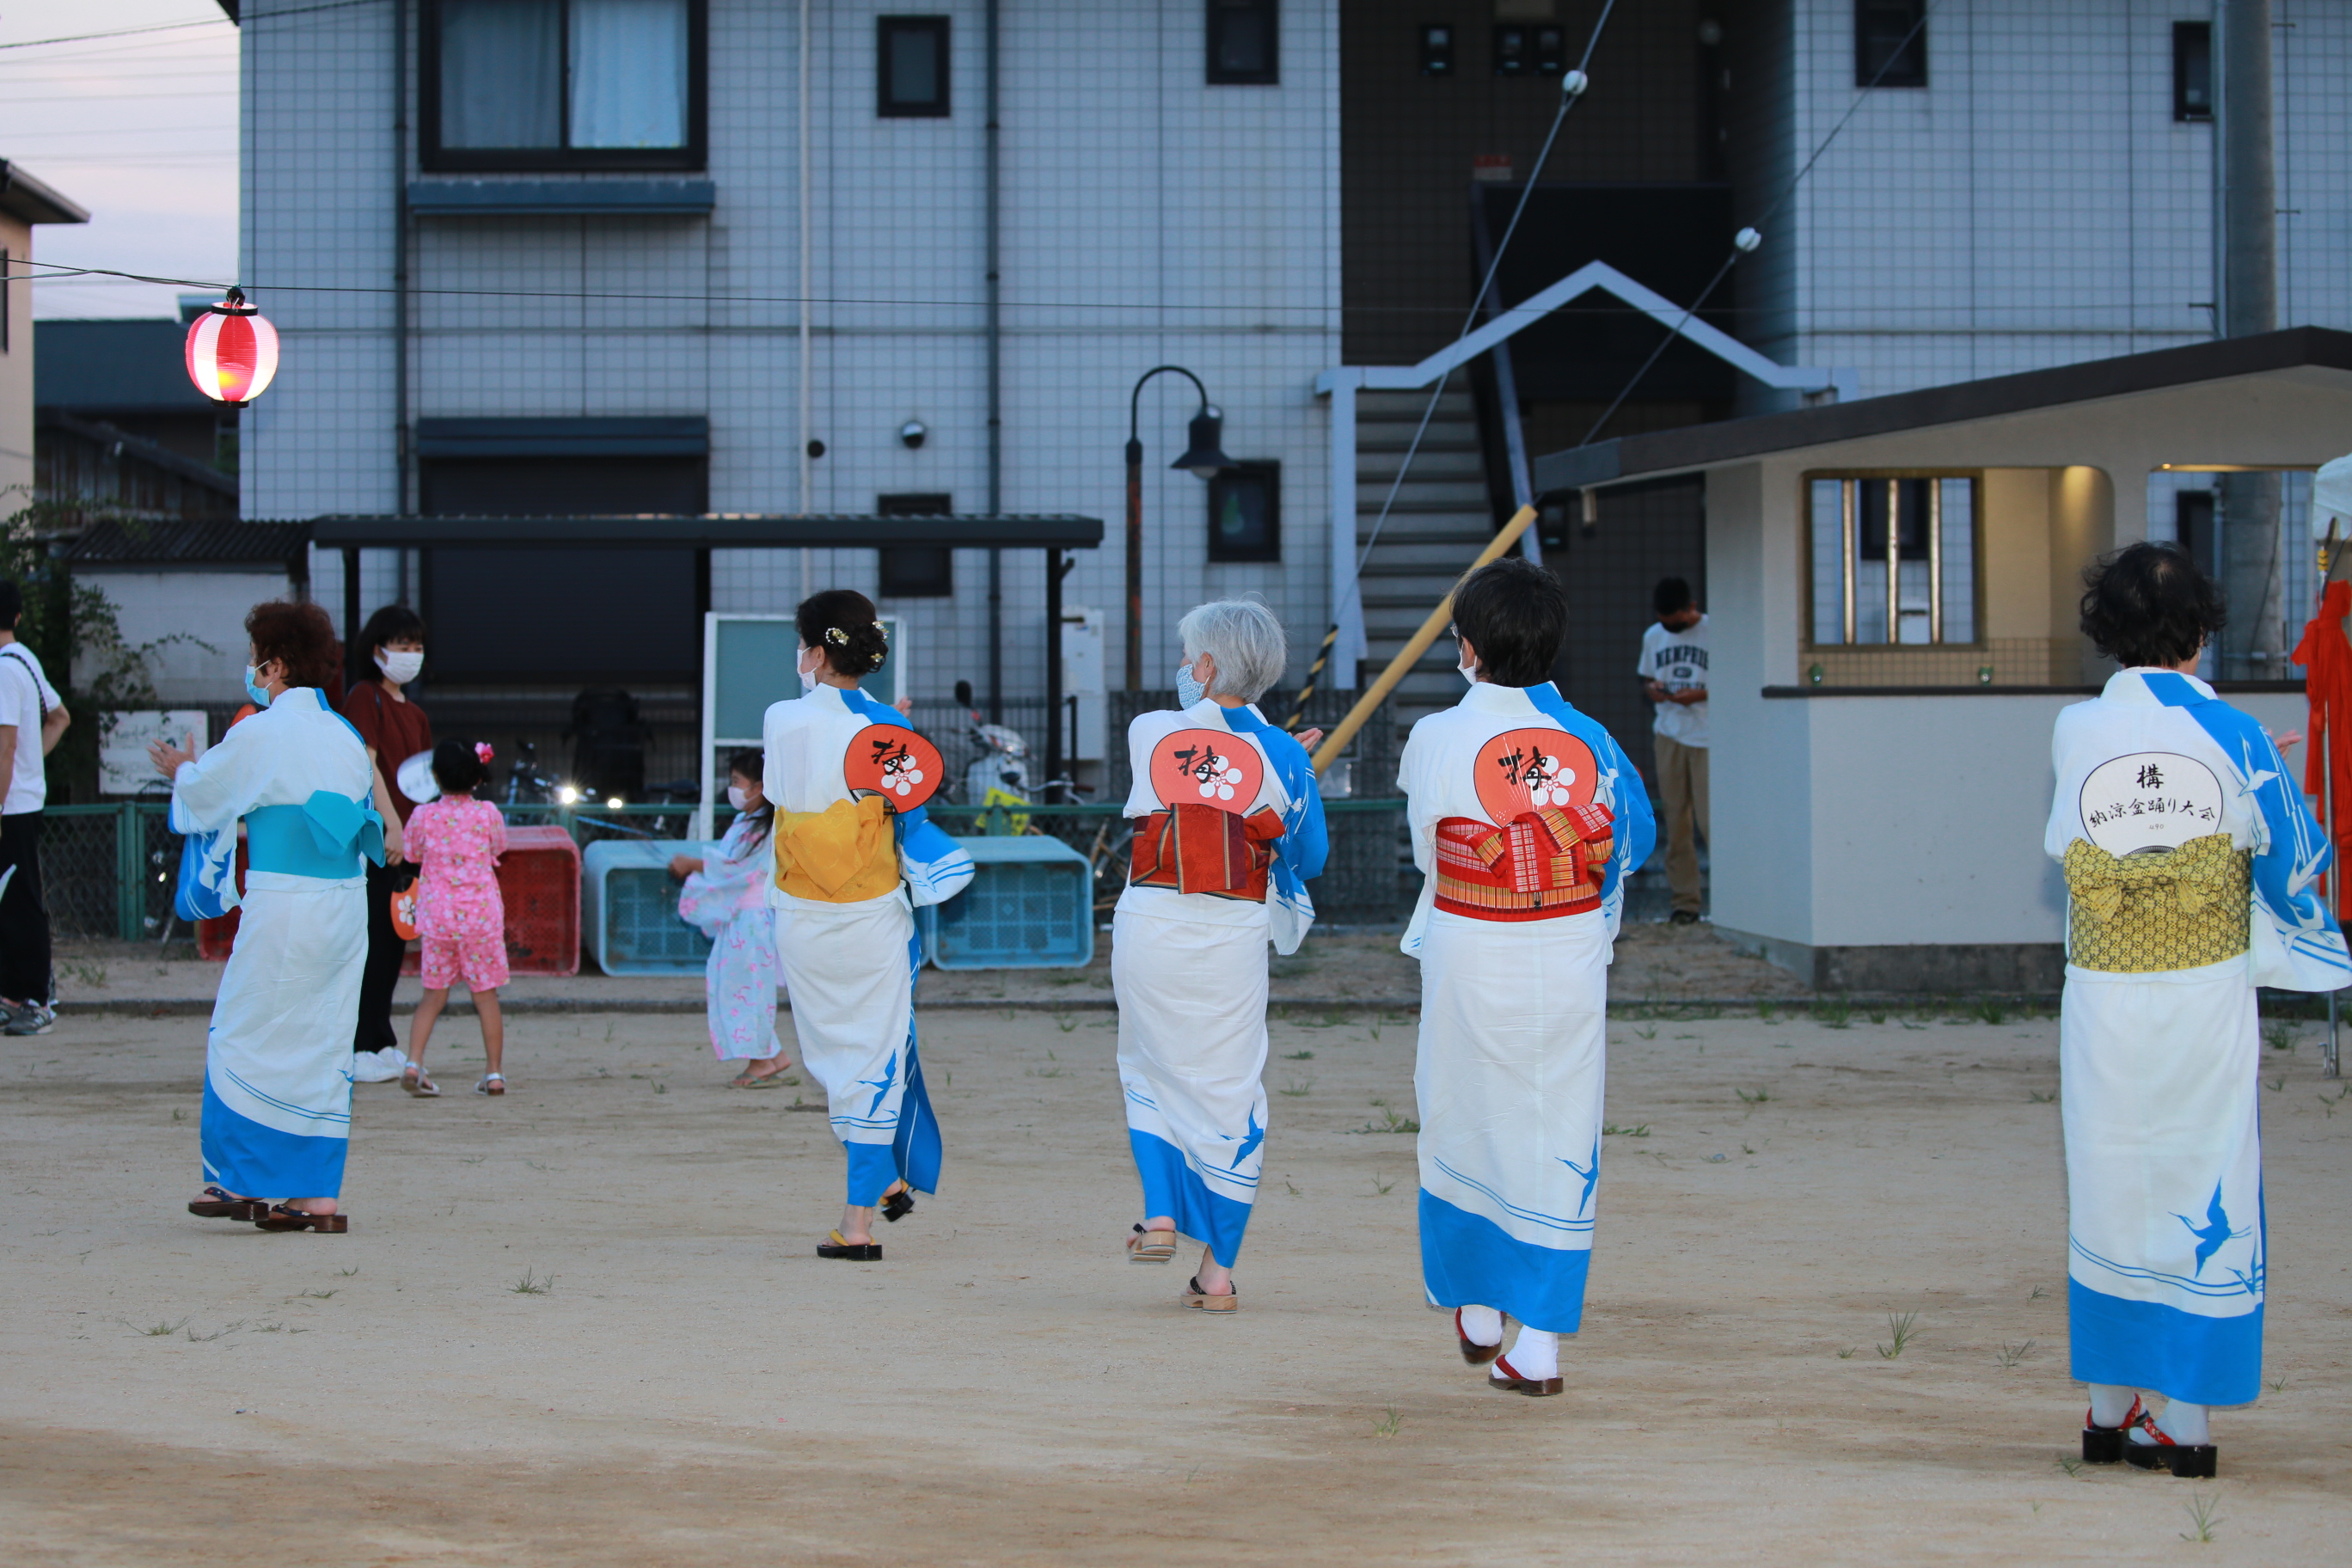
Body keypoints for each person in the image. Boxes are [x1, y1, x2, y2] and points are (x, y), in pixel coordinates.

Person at [2046, 542, 2347, 1478]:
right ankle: (2184, 1418)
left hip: (2102, 989)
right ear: (2204, 631)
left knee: (2107, 1169)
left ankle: (2107, 1408)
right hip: (2198, 989)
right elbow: (2293, 863)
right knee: (2202, 1175)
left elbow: (2084, 836)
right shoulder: (2239, 735)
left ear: (2105, 632)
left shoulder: (2074, 727)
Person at [1400, 557, 1655, 1394]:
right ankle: (1538, 1347)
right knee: (1559, 1127)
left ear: (1465, 647)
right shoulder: (1592, 742)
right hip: (1568, 951)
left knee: (1461, 1111)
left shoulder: (1434, 736)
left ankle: (1476, 1304)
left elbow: (1426, 851)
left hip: (1472, 945)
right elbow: (1635, 840)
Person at [151, 601, 397, 1233]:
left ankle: (237, 1181)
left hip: (285, 901)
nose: (253, 672)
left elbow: (206, 796)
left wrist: (183, 770)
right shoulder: (343, 734)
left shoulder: (260, 732)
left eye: (258, 659)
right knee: (322, 1041)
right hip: (345, 905)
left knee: (243, 1032)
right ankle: (316, 1196)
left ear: (277, 664)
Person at [1112, 600, 1326, 1312]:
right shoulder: (1287, 755)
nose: (1181, 667)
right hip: (1233, 931)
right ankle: (1218, 1273)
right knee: (1231, 1086)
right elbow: (1310, 855)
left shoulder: (1151, 731)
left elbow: (1195, 772)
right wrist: (1295, 764)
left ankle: (1161, 1211)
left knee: (1148, 1061)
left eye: (1186, 656)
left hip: (1152, 919)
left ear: (1204, 666)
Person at [763, 590, 973, 1260]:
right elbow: (897, 790)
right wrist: (891, 729)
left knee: (830, 1055)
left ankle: (879, 1182)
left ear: (816, 653)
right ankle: (861, 1216)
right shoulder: (889, 730)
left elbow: (784, 788)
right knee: (875, 1057)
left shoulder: (779, 718)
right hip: (871, 913)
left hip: (800, 911)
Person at [340, 605, 432, 1079]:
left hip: (408, 847)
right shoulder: (364, 697)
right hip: (380, 841)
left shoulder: (414, 713)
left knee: (395, 942)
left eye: (417, 648)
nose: (410, 655)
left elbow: (422, 782)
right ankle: (358, 1042)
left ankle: (380, 1039)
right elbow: (366, 763)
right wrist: (392, 826)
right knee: (373, 943)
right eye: (402, 646)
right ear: (377, 651)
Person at [673, 748, 793, 1087]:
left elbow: (736, 867)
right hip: (742, 919)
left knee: (746, 989)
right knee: (736, 987)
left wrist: (693, 864)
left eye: (737, 781)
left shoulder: (767, 824)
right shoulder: (749, 821)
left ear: (758, 787)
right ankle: (769, 1054)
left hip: (752, 921)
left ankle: (763, 1058)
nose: (733, 787)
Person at [401, 738, 510, 1097]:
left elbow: (412, 852)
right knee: (486, 997)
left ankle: (414, 1063)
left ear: (434, 777)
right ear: (476, 777)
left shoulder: (423, 816)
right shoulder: (488, 814)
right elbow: (499, 849)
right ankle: (493, 1073)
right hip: (481, 918)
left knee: (432, 997)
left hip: (438, 919)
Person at [0, 579, 70, 1037]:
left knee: (20, 899)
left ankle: (39, 1000)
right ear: (18, 617)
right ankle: (12, 994)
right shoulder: (25, 659)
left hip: (9, 805)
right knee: (13, 898)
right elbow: (60, 717)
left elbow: (5, 744)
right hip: (22, 796)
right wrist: (31, 767)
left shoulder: (4, 670)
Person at [1636, 577, 1708, 924]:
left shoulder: (1715, 632)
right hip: (1669, 733)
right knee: (1676, 822)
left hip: (1710, 736)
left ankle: (1732, 901)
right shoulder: (1653, 636)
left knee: (1713, 822)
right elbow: (1646, 678)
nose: (1670, 627)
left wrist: (1702, 694)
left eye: (1676, 621)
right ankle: (1685, 903)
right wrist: (1654, 689)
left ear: (1691, 609)